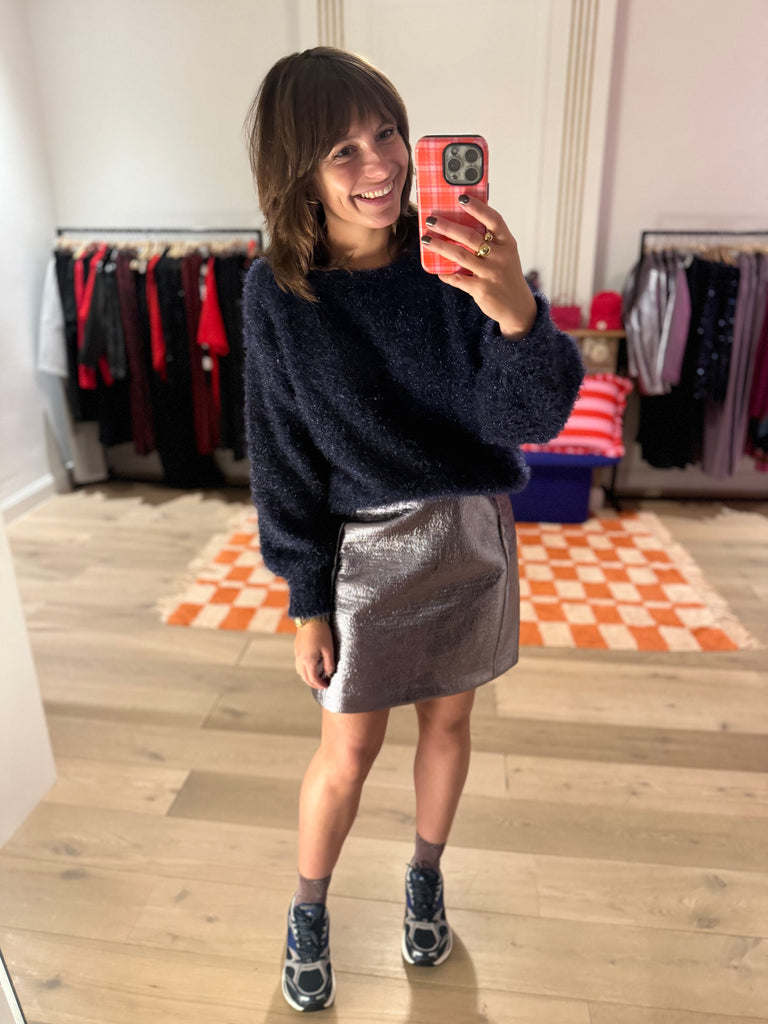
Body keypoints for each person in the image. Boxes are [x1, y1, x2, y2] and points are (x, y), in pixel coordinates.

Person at [242, 47, 584, 1013]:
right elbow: (281, 456)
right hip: (364, 552)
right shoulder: (278, 294)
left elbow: (528, 417)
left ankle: (425, 878)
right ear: (298, 171)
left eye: (387, 133)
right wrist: (307, 599)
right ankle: (308, 910)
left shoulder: (456, 257)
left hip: (471, 535)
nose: (380, 163)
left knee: (451, 721)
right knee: (346, 752)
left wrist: (515, 312)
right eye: (343, 150)